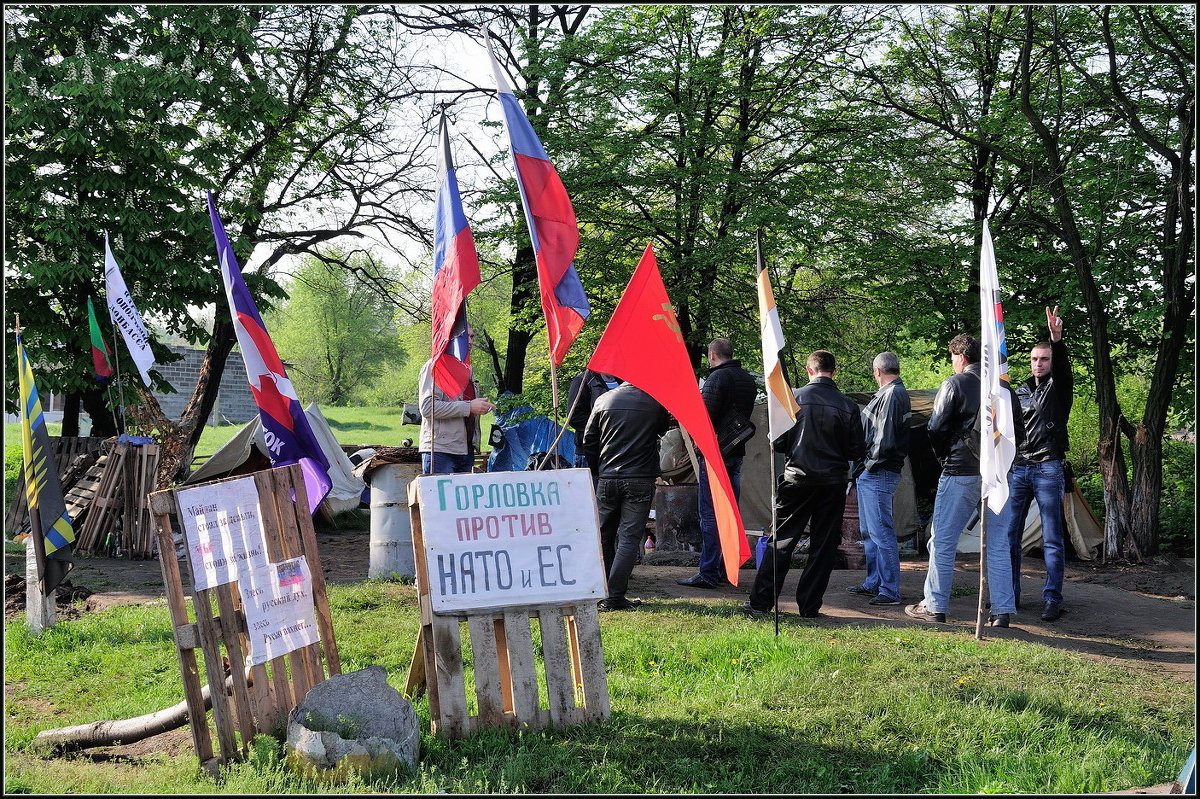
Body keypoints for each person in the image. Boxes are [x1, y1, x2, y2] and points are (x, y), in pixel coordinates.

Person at [904, 334, 1019, 627]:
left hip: (961, 472)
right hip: (998, 476)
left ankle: (935, 605)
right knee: (997, 544)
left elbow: (935, 427)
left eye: (953, 358)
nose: (953, 363)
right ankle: (1003, 610)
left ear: (961, 358)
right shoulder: (1004, 388)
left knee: (942, 540)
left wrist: (945, 458)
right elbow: (1018, 433)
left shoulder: (955, 384)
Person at [743, 351, 866, 618]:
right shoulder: (847, 405)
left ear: (810, 370)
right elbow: (857, 450)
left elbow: (778, 443)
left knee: (782, 541)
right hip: (832, 482)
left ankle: (761, 602)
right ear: (834, 371)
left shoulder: (793, 399)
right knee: (823, 546)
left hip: (796, 479)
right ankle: (809, 607)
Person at [1001, 305, 1074, 622]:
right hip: (1019, 469)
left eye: (1044, 359)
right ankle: (1010, 596)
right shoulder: (1018, 391)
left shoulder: (1057, 390)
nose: (1038, 364)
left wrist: (1056, 340)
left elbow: (1065, 373)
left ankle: (1052, 599)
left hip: (1048, 467)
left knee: (1052, 539)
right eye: (1034, 359)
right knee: (1010, 536)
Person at [677, 338, 758, 590]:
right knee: (730, 513)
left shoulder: (717, 379)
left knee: (710, 514)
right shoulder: (746, 379)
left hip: (716, 454)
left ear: (712, 355)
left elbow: (705, 417)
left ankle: (708, 571)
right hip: (736, 451)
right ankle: (725, 567)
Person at [582, 382, 669, 612]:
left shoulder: (603, 400)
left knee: (604, 536)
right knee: (629, 539)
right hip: (640, 477)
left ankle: (602, 591)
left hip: (608, 476)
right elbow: (663, 429)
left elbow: (588, 440)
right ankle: (614, 596)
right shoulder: (654, 401)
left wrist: (599, 470)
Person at [846, 352, 911, 606]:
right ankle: (874, 582)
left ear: (877, 372)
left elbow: (884, 439)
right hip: (873, 472)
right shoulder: (890, 395)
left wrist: (867, 465)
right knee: (870, 531)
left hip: (878, 472)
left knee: (881, 532)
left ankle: (889, 590)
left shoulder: (892, 395)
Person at [418, 327, 494, 475]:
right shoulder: (435, 366)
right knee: (439, 498)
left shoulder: (467, 368)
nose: (471, 341)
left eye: (473, 337)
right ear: (453, 338)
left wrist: (481, 406)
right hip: (440, 450)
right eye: (467, 337)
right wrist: (469, 407)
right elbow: (427, 408)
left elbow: (466, 404)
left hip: (465, 449)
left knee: (461, 499)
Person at [567, 370, 620, 469]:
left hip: (618, 449)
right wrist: (603, 429)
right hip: (590, 450)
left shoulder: (623, 382)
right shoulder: (584, 380)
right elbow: (574, 417)